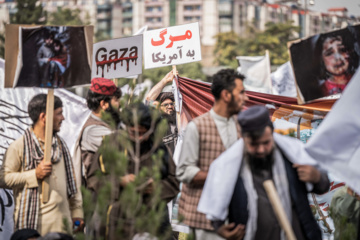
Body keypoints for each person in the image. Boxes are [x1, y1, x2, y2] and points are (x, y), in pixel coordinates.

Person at [198, 105, 330, 240]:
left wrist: (316, 177)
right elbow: (215, 207)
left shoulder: (292, 157)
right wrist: (220, 229)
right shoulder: (229, 168)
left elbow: (323, 186)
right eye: (254, 145)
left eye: (266, 143)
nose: (261, 150)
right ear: (244, 139)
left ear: (272, 135)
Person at [176, 69, 248, 240]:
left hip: (237, 215)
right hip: (204, 219)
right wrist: (220, 176)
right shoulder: (197, 127)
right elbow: (184, 171)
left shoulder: (242, 125)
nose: (246, 98)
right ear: (226, 95)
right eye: (242, 93)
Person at [0, 94, 84, 235]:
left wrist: (77, 213)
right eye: (59, 113)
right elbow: (3, 179)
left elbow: (72, 185)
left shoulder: (61, 145)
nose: (63, 118)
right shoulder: (19, 146)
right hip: (34, 231)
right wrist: (34, 174)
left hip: (64, 228)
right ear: (44, 117)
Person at [95, 103, 179, 239]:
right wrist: (119, 182)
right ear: (126, 127)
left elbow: (174, 181)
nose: (139, 138)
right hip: (120, 220)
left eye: (143, 133)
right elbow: (95, 178)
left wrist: (156, 187)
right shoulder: (111, 144)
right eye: (134, 133)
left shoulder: (157, 147)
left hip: (153, 220)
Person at [73, 77, 122, 193]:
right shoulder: (93, 130)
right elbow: (124, 146)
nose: (119, 105)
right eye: (116, 100)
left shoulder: (109, 124)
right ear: (104, 104)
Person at [314, 29, 359, 97]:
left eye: (342, 50)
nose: (337, 57)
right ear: (321, 60)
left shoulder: (357, 81)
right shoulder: (321, 91)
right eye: (329, 53)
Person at [146, 71, 178, 154]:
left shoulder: (178, 119)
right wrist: (165, 81)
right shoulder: (157, 123)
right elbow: (149, 99)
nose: (170, 106)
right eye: (166, 105)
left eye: (171, 104)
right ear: (159, 108)